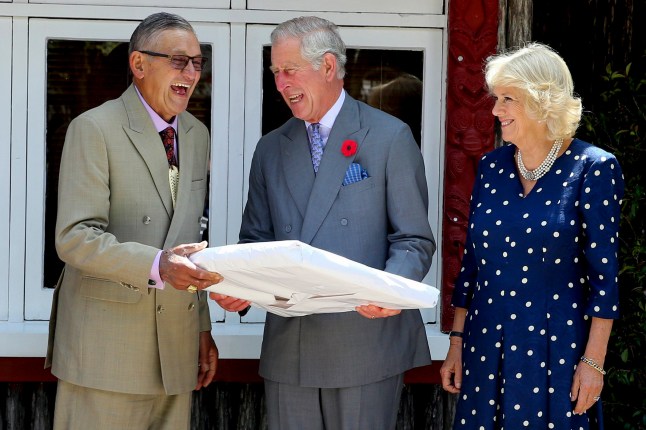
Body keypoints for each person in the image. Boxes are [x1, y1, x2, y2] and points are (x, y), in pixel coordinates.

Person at [212, 16, 436, 430]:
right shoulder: (270, 149)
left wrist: (390, 291)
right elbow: (255, 241)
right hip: (290, 347)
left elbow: (413, 240)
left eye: (290, 70)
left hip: (366, 339)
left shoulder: (389, 136)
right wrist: (237, 288)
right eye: (276, 72)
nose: (281, 83)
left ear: (328, 67)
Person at [46, 12, 223, 430]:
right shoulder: (94, 128)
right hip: (106, 351)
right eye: (179, 60)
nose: (191, 72)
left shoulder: (197, 134)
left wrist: (201, 327)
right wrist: (157, 264)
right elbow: (74, 238)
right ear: (139, 64)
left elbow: (188, 240)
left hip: (176, 351)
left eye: (197, 62)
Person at [440, 43, 624, 429]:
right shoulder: (492, 166)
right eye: (496, 98)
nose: (495, 111)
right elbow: (472, 263)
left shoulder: (593, 168)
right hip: (486, 345)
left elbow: (604, 278)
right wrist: (456, 340)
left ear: (544, 102)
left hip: (556, 349)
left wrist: (593, 362)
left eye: (508, 99)